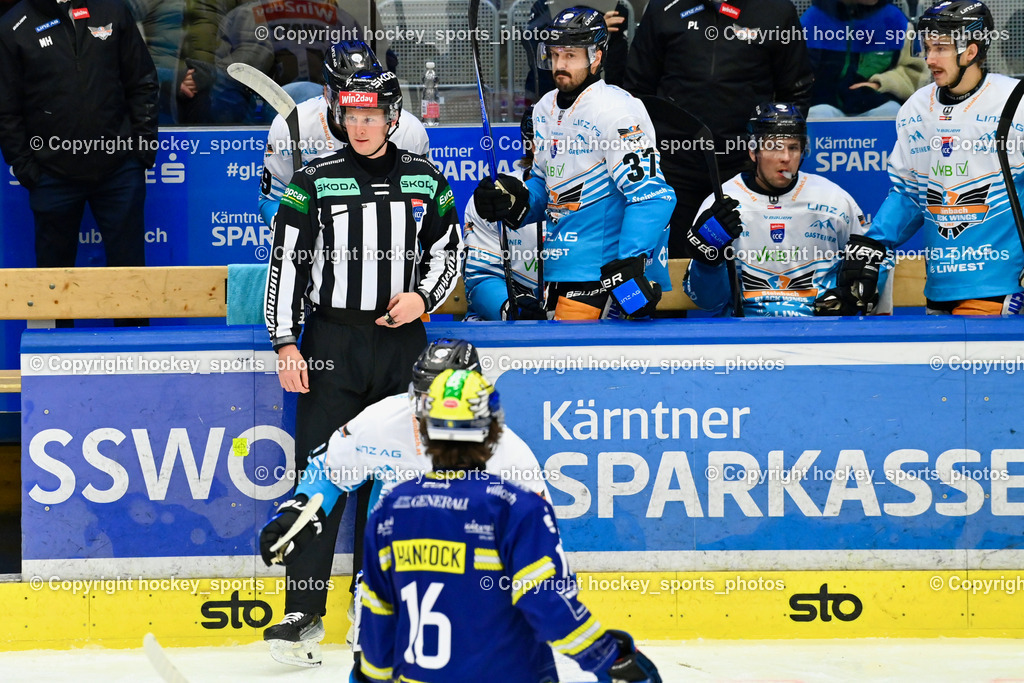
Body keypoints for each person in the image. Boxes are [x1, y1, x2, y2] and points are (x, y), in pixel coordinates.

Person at [262, 65, 462, 666]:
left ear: (392, 117)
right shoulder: (312, 181)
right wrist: (285, 342)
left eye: (371, 115)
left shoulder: (426, 179)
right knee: (320, 474)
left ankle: (374, 607)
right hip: (332, 344)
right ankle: (302, 611)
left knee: (394, 484)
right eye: (351, 115)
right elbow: (287, 261)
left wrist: (423, 297)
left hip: (403, 348)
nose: (361, 126)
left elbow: (449, 250)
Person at [348, 368, 661, 682]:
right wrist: (610, 656)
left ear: (424, 429)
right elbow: (546, 604)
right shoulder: (517, 508)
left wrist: (372, 676)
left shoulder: (390, 510)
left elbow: (377, 615)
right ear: (493, 430)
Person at [474, 7, 676, 321]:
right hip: (557, 270)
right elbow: (546, 187)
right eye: (555, 54)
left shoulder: (617, 111)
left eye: (570, 55)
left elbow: (652, 196)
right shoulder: (543, 108)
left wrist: (627, 265)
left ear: (596, 57)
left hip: (602, 274)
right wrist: (516, 200)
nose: (560, 65)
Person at [838, 0, 1024, 316]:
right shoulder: (916, 108)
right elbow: (909, 193)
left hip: (1001, 287)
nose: (930, 59)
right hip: (938, 288)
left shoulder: (1017, 101)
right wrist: (874, 244)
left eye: (941, 48)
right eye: (927, 48)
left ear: (971, 51)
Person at [0, 0, 158, 326]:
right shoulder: (13, 25)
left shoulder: (112, 9)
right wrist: (26, 166)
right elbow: (6, 108)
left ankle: (136, 352)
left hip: (119, 170)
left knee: (130, 276)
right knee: (53, 282)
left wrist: (141, 149)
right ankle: (55, 353)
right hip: (51, 176)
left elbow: (142, 80)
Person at [624, 0, 814, 259]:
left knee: (746, 263)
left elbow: (796, 92)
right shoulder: (663, 6)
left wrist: (770, 155)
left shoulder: (776, 10)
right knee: (674, 263)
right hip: (673, 166)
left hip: (744, 169)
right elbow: (636, 91)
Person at [684, 102, 892, 317]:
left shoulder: (834, 200)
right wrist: (707, 263)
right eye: (774, 147)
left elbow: (876, 257)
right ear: (753, 151)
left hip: (819, 327)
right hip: (745, 328)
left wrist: (851, 295)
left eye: (793, 147)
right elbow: (708, 302)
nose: (786, 157)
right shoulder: (723, 204)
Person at [260, 40, 429, 226]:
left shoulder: (409, 131)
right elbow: (271, 199)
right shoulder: (291, 127)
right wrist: (290, 230)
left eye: (366, 96)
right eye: (347, 100)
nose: (357, 108)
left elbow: (424, 207)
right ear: (327, 93)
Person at [463, 108, 545, 320]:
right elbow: (480, 276)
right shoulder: (495, 196)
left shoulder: (601, 196)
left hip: (578, 316)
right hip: (504, 323)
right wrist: (509, 307)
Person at [801, 0, 929, 118]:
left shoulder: (896, 20)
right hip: (823, 104)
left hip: (877, 101)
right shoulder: (813, 19)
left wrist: (880, 84)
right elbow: (797, 74)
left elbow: (916, 72)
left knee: (891, 112)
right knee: (816, 114)